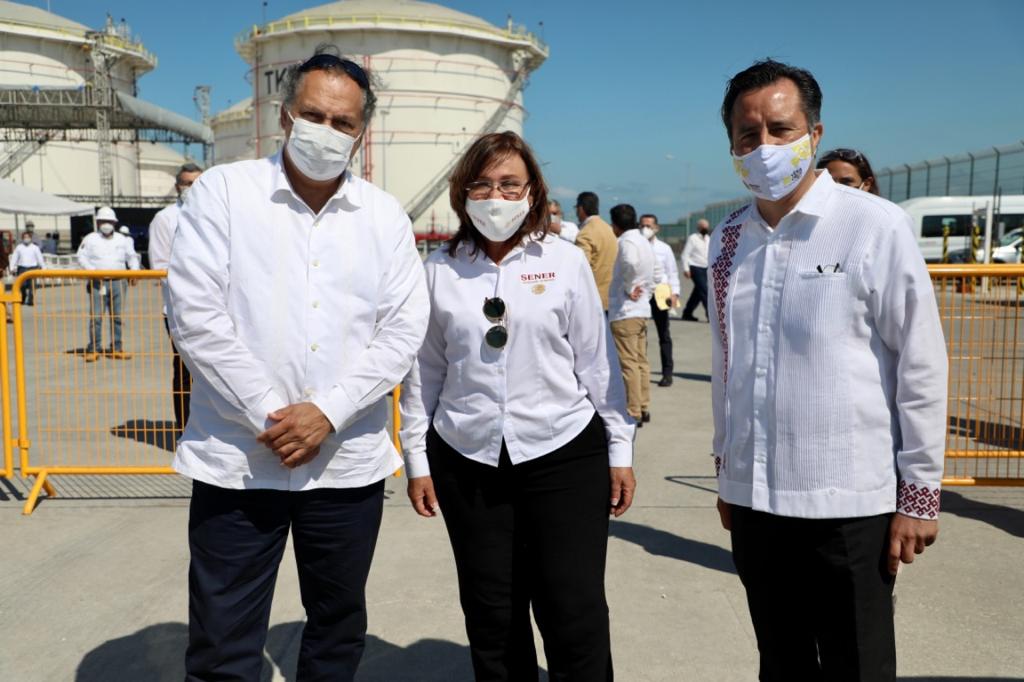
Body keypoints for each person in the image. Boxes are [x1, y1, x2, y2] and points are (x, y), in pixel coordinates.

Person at [166, 46, 428, 682]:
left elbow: (403, 329)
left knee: (337, 632)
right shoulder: (226, 194)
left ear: (361, 133)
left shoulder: (384, 216)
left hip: (345, 468)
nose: (327, 131)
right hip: (239, 464)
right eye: (314, 115)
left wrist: (328, 413)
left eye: (344, 123)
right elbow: (195, 316)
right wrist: (276, 416)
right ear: (285, 117)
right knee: (223, 639)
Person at [710, 59, 948, 681]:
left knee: (857, 663)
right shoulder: (729, 238)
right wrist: (728, 470)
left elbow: (920, 363)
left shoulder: (873, 225)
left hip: (849, 505)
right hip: (757, 500)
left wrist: (919, 493)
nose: (763, 146)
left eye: (781, 129)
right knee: (781, 661)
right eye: (747, 134)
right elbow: (728, 361)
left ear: (813, 134)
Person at [400, 131, 635, 682]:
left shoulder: (564, 262)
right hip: (467, 458)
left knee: (572, 611)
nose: (495, 196)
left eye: (509, 183)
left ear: (532, 192)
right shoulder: (438, 270)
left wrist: (619, 446)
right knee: (492, 614)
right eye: (481, 184)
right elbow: (424, 372)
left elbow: (596, 365)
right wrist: (417, 459)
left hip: (563, 454)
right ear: (462, 194)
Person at [149, 162, 203, 433]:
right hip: (179, 310)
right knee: (184, 372)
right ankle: (184, 430)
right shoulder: (165, 219)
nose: (191, 189)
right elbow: (159, 265)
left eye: (197, 183)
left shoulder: (217, 214)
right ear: (177, 187)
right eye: (187, 184)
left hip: (219, 308)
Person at [608, 204, 655, 427]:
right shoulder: (643, 240)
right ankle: (644, 405)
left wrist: (629, 286)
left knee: (628, 364)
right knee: (641, 361)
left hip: (626, 310)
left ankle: (633, 409)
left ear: (615, 224)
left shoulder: (626, 241)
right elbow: (654, 271)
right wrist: (647, 291)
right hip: (641, 309)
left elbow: (629, 262)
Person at [76, 206, 139, 361]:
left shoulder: (122, 239)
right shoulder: (90, 239)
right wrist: (92, 270)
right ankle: (94, 348)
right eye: (103, 221)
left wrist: (135, 271)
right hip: (97, 282)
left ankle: (116, 348)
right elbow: (81, 256)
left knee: (117, 317)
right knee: (96, 317)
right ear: (98, 223)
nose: (106, 224)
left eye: (109, 221)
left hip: (119, 282)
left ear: (114, 223)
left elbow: (132, 256)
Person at [640, 214, 679, 386]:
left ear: (657, 228)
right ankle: (640, 373)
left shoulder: (664, 248)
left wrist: (675, 293)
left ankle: (667, 372)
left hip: (661, 293)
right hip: (642, 294)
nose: (645, 229)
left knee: (664, 333)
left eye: (649, 225)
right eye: (642, 225)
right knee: (640, 335)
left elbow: (672, 272)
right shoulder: (636, 246)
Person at [574, 191, 618, 312]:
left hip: (592, 299)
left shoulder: (585, 233)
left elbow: (580, 268)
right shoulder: (609, 228)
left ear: (581, 208)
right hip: (611, 296)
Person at [680, 219, 711, 321]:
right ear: (698, 227)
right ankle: (710, 316)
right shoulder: (693, 238)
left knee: (697, 293)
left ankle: (687, 313)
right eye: (703, 226)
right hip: (695, 267)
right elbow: (685, 254)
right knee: (704, 291)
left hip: (706, 268)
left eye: (706, 226)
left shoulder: (708, 238)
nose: (705, 228)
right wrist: (686, 269)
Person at [11, 230, 44, 306]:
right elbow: (14, 258)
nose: (26, 239)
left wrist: (43, 268)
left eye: (28, 237)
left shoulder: (35, 248)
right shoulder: (19, 247)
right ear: (22, 238)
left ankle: (30, 300)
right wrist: (12, 267)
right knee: (22, 285)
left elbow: (40, 258)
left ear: (30, 238)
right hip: (22, 268)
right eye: (25, 237)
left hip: (33, 268)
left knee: (32, 285)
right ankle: (23, 296)